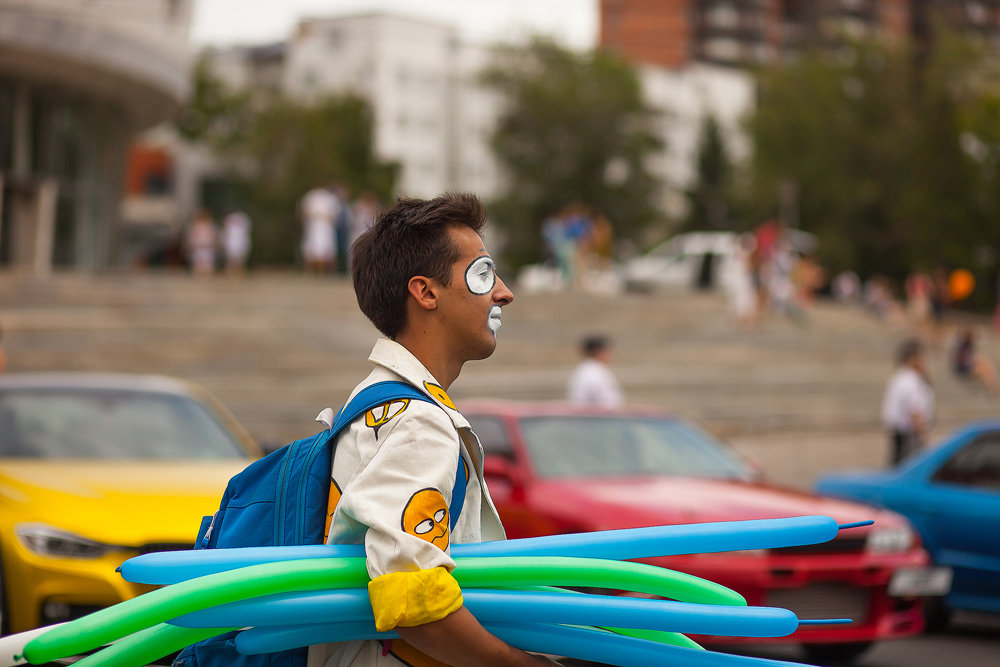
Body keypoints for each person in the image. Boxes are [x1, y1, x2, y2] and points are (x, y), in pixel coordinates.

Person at [311, 193, 552, 666]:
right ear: (425, 292)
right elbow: (412, 597)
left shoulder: (376, 403)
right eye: (483, 274)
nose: (504, 292)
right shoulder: (419, 423)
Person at [881, 339, 934, 465]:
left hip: (899, 433)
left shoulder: (899, 377)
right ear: (912, 359)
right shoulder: (911, 380)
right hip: (909, 435)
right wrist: (924, 437)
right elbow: (915, 411)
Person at [567, 335, 624, 409]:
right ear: (598, 351)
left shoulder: (584, 370)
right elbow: (608, 402)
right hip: (598, 417)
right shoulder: (595, 373)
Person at [299, 184, 342, 274]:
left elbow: (336, 215)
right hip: (313, 228)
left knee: (327, 251)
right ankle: (310, 272)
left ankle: (327, 272)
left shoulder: (330, 198)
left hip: (326, 229)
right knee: (312, 250)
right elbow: (303, 212)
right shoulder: (311, 196)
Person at [951, 325, 999, 394]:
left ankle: (993, 386)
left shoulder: (968, 346)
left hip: (967, 366)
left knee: (985, 364)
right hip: (962, 369)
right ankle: (993, 387)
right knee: (983, 368)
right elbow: (963, 362)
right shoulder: (963, 346)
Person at [185, 209, 217, 277]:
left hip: (207, 247)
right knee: (198, 265)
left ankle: (206, 277)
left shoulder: (210, 226)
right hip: (198, 247)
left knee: (207, 265)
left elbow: (213, 237)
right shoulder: (194, 226)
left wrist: (214, 244)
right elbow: (192, 237)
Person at [221, 210, 252, 276]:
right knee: (231, 260)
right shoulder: (230, 220)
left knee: (239, 260)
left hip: (239, 242)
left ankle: (239, 275)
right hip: (232, 243)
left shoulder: (242, 219)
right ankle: (230, 275)